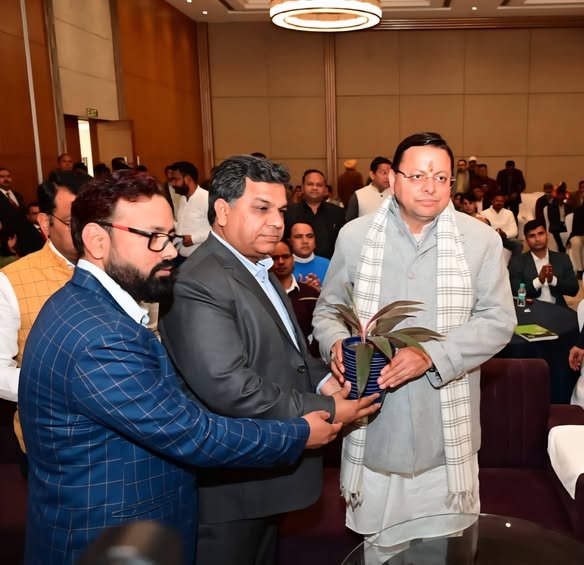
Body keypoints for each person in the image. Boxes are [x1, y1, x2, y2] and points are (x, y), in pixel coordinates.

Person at [18, 170, 341, 565]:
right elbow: (191, 433)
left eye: (170, 236)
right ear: (97, 240)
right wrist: (297, 433)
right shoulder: (99, 334)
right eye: (153, 237)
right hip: (107, 538)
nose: (170, 251)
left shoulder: (84, 307)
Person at [159, 155, 379, 565]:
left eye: (280, 210)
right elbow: (230, 387)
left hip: (262, 478)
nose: (277, 222)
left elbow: (289, 352)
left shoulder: (256, 267)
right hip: (230, 490)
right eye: (261, 209)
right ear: (222, 211)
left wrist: (324, 380)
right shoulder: (198, 281)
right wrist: (329, 407)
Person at [313, 132, 515, 547]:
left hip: (444, 431)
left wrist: (432, 355)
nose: (430, 187)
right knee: (379, 548)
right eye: (418, 175)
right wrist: (335, 343)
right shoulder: (355, 236)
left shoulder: (480, 240)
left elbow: (498, 320)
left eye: (441, 177)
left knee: (444, 549)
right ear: (392, 179)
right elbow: (329, 309)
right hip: (375, 423)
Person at [0, 176, 89, 454]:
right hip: (51, 441)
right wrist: (60, 389)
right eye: (72, 221)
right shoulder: (11, 281)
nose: (87, 230)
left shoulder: (119, 267)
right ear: (44, 222)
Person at [508, 219, 578, 307]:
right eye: (532, 236)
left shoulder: (562, 258)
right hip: (531, 309)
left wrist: (553, 280)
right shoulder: (517, 262)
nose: (537, 239)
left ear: (547, 235)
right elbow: (515, 292)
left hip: (558, 308)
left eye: (541, 234)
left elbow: (574, 289)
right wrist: (539, 281)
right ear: (526, 240)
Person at [270, 239, 320, 357]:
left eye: (285, 256)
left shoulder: (310, 294)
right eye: (274, 258)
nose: (281, 262)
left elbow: (320, 330)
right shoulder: (260, 294)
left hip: (308, 360)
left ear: (293, 258)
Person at [284, 169, 345, 259]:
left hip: (331, 264)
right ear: (302, 187)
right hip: (297, 264)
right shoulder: (289, 212)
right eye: (310, 184)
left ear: (325, 189)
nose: (314, 188)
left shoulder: (338, 212)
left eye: (319, 185)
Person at [169, 161, 210, 256]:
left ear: (187, 179)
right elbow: (183, 225)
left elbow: (218, 230)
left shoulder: (206, 198)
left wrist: (193, 239)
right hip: (181, 255)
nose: (172, 183)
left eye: (176, 179)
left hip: (201, 257)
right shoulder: (183, 199)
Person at [0, 166, 44, 256]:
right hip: (8, 237)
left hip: (23, 236)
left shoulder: (17, 195)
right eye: (2, 177)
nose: (6, 179)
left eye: (8, 176)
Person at [345, 157, 392, 221]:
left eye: (390, 173)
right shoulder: (359, 195)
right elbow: (349, 222)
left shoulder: (397, 195)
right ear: (372, 175)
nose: (388, 177)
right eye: (384, 173)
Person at [289, 221, 330, 290]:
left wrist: (319, 291)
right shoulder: (283, 266)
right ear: (290, 242)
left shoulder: (327, 264)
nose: (305, 241)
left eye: (310, 236)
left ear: (315, 242)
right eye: (298, 237)